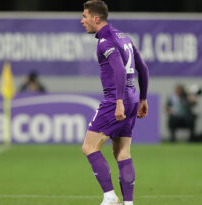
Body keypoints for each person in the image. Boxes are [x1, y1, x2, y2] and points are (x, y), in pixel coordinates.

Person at [80, 1, 149, 205]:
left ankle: (110, 197)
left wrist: (118, 101)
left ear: (96, 18)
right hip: (133, 97)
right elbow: (143, 68)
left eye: (84, 16)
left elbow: (118, 69)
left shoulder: (106, 41)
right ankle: (128, 203)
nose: (81, 20)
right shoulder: (123, 37)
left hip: (116, 100)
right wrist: (143, 98)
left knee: (89, 147)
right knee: (122, 151)